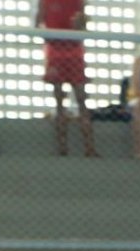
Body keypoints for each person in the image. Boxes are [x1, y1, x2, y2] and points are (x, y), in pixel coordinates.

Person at [35, 0, 98, 157]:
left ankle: (89, 148)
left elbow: (84, 25)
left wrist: (81, 23)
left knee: (82, 99)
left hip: (75, 53)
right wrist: (48, 34)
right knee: (59, 102)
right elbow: (38, 25)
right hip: (55, 53)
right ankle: (62, 147)